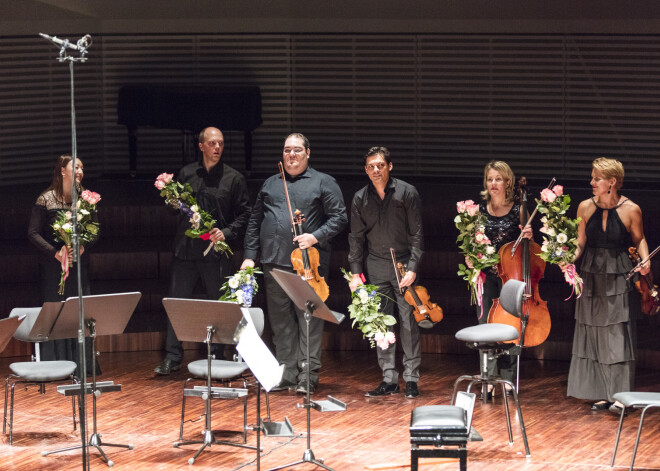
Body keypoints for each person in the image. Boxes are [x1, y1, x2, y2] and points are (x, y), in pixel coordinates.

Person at [241, 133, 347, 395]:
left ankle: (308, 375)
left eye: (297, 150)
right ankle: (286, 373)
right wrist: (249, 255)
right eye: (287, 150)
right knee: (280, 321)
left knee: (308, 319)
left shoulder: (324, 182)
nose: (291, 155)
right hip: (273, 261)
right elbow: (255, 222)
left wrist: (314, 236)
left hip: (308, 264)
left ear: (307, 153)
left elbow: (339, 217)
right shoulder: (270, 183)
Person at [154, 127, 251, 375]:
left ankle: (218, 354)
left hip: (215, 252)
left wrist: (226, 233)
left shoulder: (234, 178)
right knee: (177, 304)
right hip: (185, 251)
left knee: (217, 305)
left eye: (220, 143)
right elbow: (174, 211)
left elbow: (244, 215)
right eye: (212, 143)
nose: (217, 148)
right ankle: (173, 356)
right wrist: (171, 202)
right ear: (201, 146)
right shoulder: (186, 173)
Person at [567, 157, 648, 414]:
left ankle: (620, 396)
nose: (592, 182)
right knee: (593, 331)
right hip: (590, 271)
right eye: (593, 177)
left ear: (612, 182)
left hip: (618, 273)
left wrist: (645, 262)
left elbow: (640, 238)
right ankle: (601, 393)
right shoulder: (584, 207)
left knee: (617, 334)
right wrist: (567, 259)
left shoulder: (631, 209)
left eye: (597, 178)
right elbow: (580, 243)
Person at [348, 146, 424, 398]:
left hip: (402, 265)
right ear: (366, 170)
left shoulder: (406, 192)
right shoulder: (360, 198)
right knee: (380, 323)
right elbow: (356, 239)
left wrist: (413, 268)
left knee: (408, 323)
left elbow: (416, 235)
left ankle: (411, 378)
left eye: (380, 165)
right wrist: (356, 274)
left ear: (390, 166)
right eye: (370, 166)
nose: (375, 170)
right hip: (376, 265)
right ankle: (389, 378)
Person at [27, 154, 98, 376]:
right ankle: (54, 365)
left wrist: (84, 245)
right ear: (62, 171)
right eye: (75, 167)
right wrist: (55, 253)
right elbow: (33, 233)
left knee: (79, 311)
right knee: (56, 311)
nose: (80, 171)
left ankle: (82, 366)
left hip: (78, 264)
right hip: (52, 266)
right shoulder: (46, 199)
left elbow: (95, 229)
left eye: (82, 168)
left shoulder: (85, 199)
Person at [477, 161, 532, 394]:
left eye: (498, 179)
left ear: (508, 182)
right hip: (487, 274)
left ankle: (508, 378)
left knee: (510, 324)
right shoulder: (479, 210)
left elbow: (528, 247)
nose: (493, 183)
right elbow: (472, 242)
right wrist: (471, 257)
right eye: (490, 179)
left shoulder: (519, 209)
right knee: (485, 325)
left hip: (511, 278)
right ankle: (488, 378)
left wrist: (528, 235)